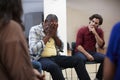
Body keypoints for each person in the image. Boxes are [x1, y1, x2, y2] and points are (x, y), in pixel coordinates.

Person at [29, 14, 90, 80]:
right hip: (40, 58)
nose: (53, 26)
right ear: (46, 21)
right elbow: (33, 50)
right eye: (51, 24)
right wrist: (48, 35)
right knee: (54, 67)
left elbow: (61, 47)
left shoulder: (54, 29)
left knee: (78, 60)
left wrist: (55, 35)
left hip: (55, 57)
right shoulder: (35, 29)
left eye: (55, 25)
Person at [0, 0, 44, 80]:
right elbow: (33, 50)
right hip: (38, 57)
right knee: (41, 65)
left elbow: (61, 48)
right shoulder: (11, 28)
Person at [75, 14, 105, 80]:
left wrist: (95, 33)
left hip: (92, 52)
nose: (93, 23)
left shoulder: (99, 31)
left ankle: (98, 78)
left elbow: (101, 45)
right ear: (90, 21)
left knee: (106, 59)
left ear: (98, 25)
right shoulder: (82, 30)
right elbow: (78, 46)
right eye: (93, 21)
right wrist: (87, 55)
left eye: (96, 23)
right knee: (80, 60)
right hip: (81, 52)